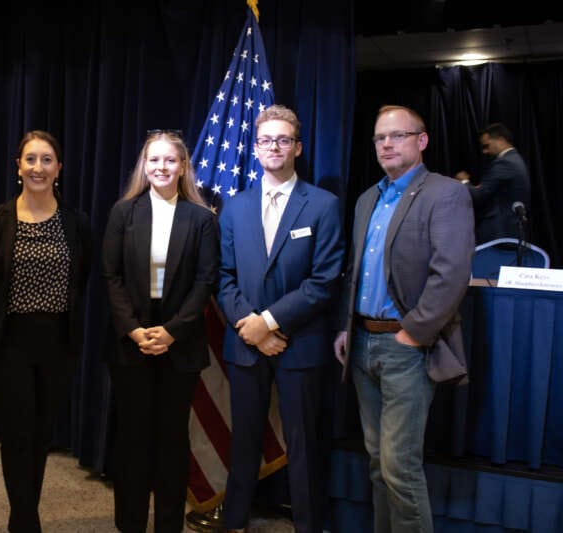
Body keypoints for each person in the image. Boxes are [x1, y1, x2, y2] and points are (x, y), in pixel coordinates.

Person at [334, 105, 474, 533]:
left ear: (422, 140)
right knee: (378, 465)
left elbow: (450, 274)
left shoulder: (445, 193)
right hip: (362, 345)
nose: (388, 144)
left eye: (398, 135)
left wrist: (414, 333)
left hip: (407, 350)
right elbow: (355, 271)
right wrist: (346, 326)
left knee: (399, 469)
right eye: (380, 138)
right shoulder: (367, 199)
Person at [217, 104, 344, 533]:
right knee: (244, 442)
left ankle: (309, 525)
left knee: (304, 444)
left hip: (300, 343)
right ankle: (234, 520)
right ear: (255, 148)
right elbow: (224, 276)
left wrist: (268, 322)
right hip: (246, 345)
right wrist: (252, 329)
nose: (275, 146)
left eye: (283, 139)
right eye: (266, 139)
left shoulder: (323, 205)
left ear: (298, 147)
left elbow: (324, 281)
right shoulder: (234, 207)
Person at [0, 130, 91, 532]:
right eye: (30, 159)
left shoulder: (76, 222)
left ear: (59, 169)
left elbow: (82, 280)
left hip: (58, 342)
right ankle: (23, 519)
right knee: (18, 433)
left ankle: (27, 510)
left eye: (46, 160)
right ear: (17, 166)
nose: (38, 167)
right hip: (8, 344)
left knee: (42, 433)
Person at [102, 130, 220, 533]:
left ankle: (169, 525)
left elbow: (205, 282)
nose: (162, 168)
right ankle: (130, 524)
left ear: (183, 166)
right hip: (131, 344)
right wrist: (134, 331)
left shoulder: (202, 218)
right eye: (154, 160)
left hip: (180, 344)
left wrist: (171, 332)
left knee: (172, 442)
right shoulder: (123, 212)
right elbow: (111, 276)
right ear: (144, 165)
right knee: (133, 440)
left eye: (170, 160)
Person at [454, 122, 530, 244]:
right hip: (508, 230)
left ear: (501, 140)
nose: (485, 151)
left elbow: (479, 196)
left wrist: (464, 181)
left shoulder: (505, 163)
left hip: (499, 232)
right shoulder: (515, 159)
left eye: (487, 146)